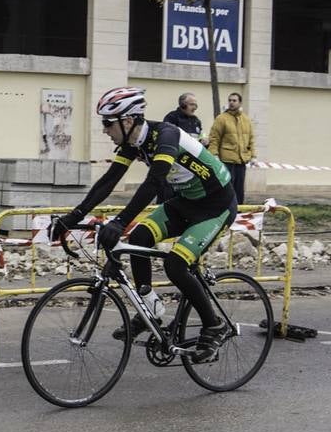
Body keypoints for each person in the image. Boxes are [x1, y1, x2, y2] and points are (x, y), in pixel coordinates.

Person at [48, 86, 239, 363]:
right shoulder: (132, 143)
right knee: (137, 240)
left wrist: (121, 221)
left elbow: (154, 182)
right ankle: (150, 306)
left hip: (215, 206)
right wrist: (73, 217)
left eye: (107, 123)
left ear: (127, 121)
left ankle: (214, 325)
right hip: (186, 202)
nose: (104, 130)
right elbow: (108, 181)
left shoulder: (167, 136)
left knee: (175, 264)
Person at [206, 92, 255, 205]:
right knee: (227, 187)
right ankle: (226, 209)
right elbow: (214, 137)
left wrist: (253, 155)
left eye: (234, 100)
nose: (231, 103)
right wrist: (214, 154)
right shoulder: (222, 118)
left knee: (239, 189)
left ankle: (238, 210)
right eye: (230, 100)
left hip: (241, 160)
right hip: (226, 160)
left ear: (240, 102)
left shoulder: (246, 120)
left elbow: (251, 138)